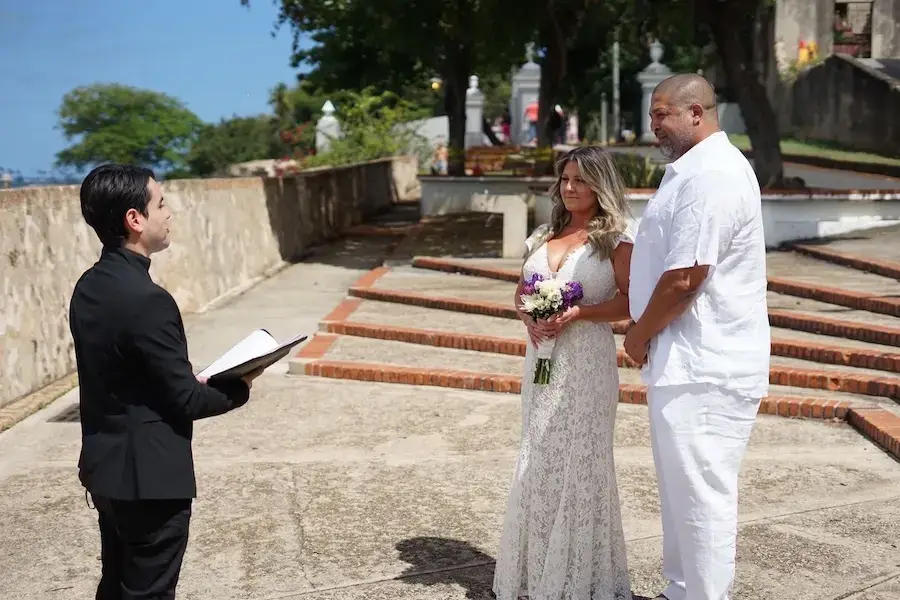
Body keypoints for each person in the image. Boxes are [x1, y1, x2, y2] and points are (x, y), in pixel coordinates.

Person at [69, 164, 264, 599]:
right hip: (151, 484)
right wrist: (240, 384)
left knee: (117, 586)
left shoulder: (88, 287)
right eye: (160, 203)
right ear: (134, 219)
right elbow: (186, 400)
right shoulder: (149, 301)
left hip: (105, 473)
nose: (169, 212)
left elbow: (124, 373)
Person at [624, 74, 770, 600]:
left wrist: (638, 335)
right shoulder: (690, 171)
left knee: (702, 495)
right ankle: (679, 591)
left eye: (662, 113)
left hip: (706, 364)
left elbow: (686, 278)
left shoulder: (712, 175)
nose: (653, 124)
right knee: (681, 494)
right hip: (685, 360)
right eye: (652, 114)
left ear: (697, 113)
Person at [493, 146, 634, 600]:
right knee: (538, 457)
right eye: (566, 179)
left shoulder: (616, 239)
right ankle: (534, 577)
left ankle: (581, 581)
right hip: (540, 362)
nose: (570, 188)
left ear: (600, 185)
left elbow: (630, 301)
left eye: (581, 180)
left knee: (582, 460)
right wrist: (529, 317)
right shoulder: (541, 236)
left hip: (587, 364)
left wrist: (578, 313)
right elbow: (520, 293)